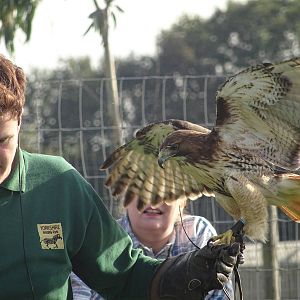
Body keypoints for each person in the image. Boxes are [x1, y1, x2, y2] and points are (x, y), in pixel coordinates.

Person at [0, 53, 240, 300]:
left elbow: (125, 275)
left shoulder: (57, 184)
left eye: (2, 140)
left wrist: (183, 273)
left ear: (19, 121)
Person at [71, 197, 234, 299]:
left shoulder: (198, 234)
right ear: (124, 194)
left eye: (166, 189)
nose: (153, 199)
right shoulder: (100, 239)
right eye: (143, 187)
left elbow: (218, 295)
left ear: (182, 200)